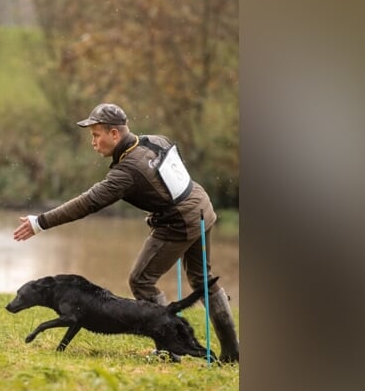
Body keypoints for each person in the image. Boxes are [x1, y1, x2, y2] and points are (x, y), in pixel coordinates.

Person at [12, 103, 239, 363]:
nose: (93, 142)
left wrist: (39, 222)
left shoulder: (126, 172)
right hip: (202, 208)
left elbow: (87, 203)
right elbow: (170, 179)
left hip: (179, 221)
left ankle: (169, 350)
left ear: (115, 134)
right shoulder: (155, 140)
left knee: (141, 280)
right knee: (202, 280)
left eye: (96, 135)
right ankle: (233, 351)